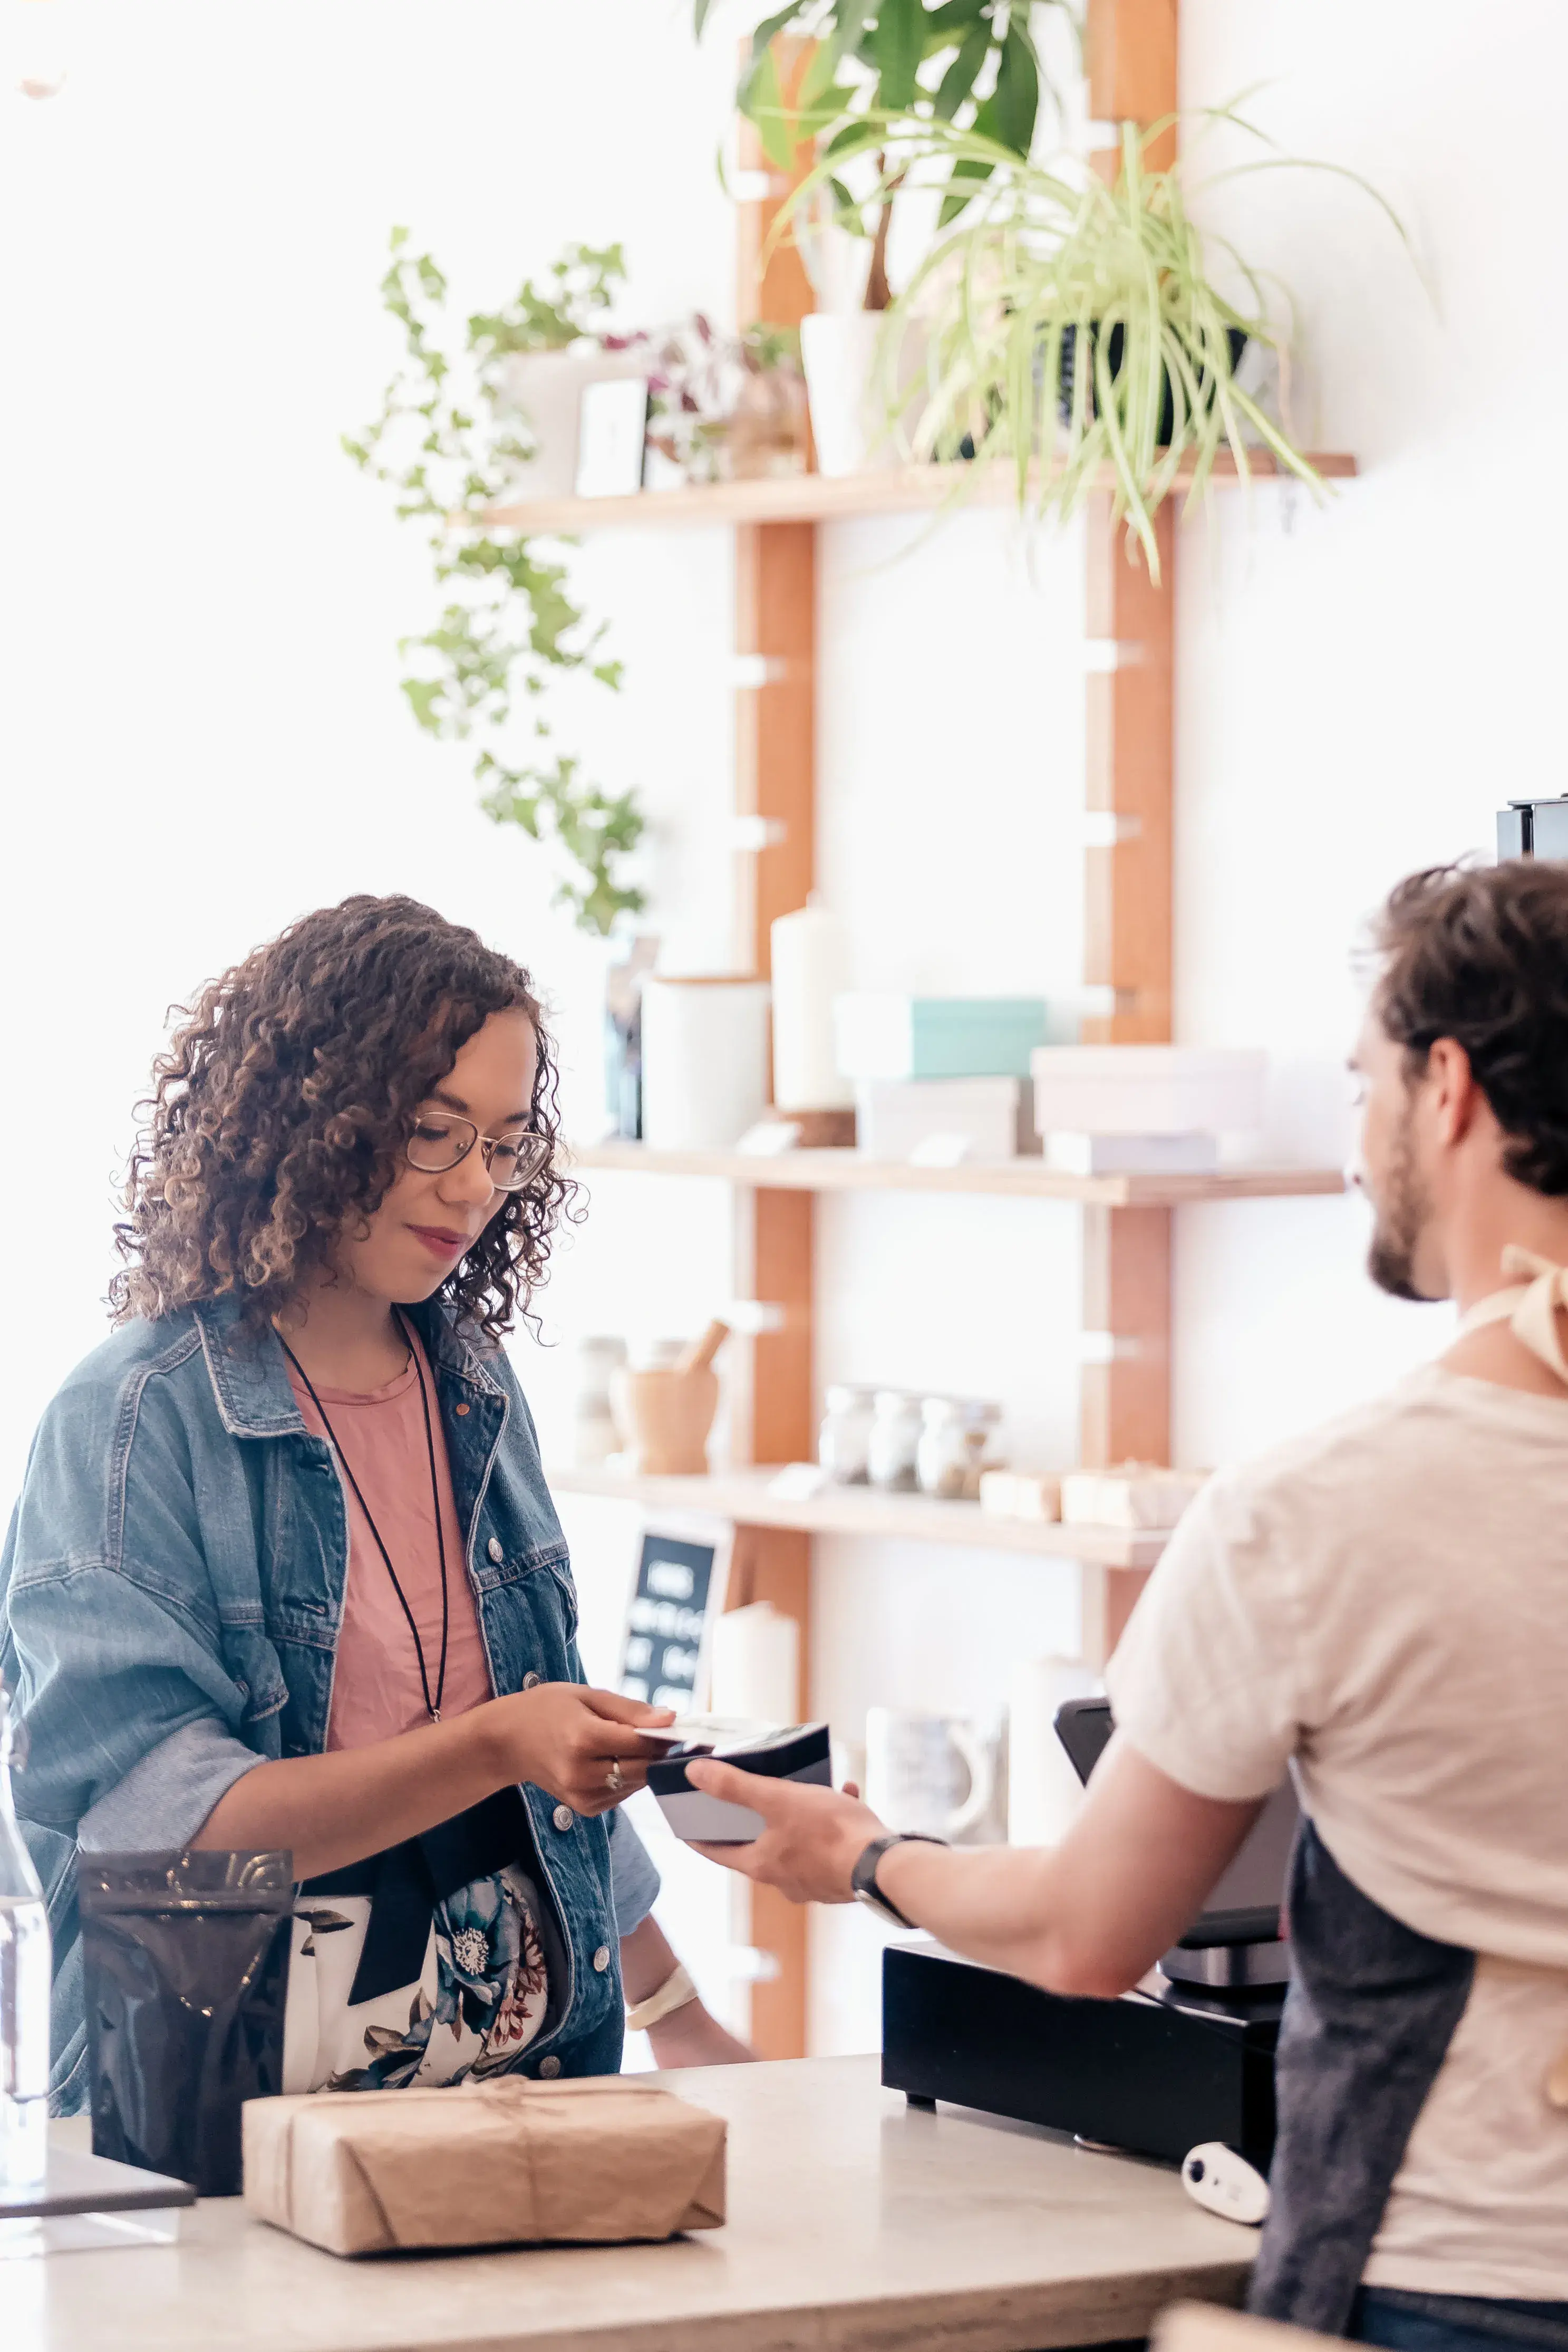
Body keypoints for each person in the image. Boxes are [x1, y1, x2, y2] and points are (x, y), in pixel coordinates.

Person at [689, 860, 1568, 2352]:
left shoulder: (1316, 1509)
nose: (1357, 1141)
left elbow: (1087, 1935)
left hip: (1460, 2279)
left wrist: (863, 1855)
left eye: (1360, 1081)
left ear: (1445, 1086)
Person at [0, 893, 749, 2106]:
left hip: (527, 2100)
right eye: (430, 1130)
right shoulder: (136, 1419)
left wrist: (679, 2013)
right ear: (313, 1115)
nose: (471, 1188)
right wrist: (497, 1740)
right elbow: (157, 1837)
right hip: (232, 2124)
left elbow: (547, 1781)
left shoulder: (472, 1389)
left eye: (504, 1144)